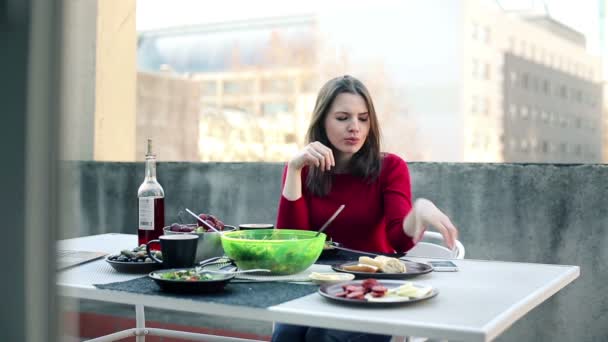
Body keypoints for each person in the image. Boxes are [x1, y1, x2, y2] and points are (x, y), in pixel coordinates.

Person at [273, 75, 458, 342]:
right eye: (342, 118)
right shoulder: (302, 169)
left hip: (373, 290)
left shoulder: (390, 168)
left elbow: (399, 241)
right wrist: (293, 169)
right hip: (316, 284)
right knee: (286, 333)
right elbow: (289, 245)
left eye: (363, 118)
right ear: (322, 121)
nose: (354, 128)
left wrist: (418, 212)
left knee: (320, 337)